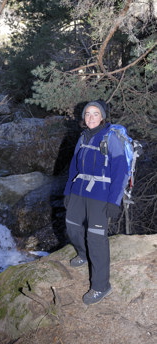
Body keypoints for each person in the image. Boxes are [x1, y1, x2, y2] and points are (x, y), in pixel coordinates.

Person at [63, 100, 129, 305]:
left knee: (96, 239)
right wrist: (67, 191)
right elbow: (74, 166)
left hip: (102, 193)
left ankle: (101, 286)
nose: (91, 117)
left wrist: (114, 201)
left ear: (102, 117)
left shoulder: (111, 138)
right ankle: (83, 254)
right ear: (84, 117)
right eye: (88, 114)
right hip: (79, 190)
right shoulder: (83, 137)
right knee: (72, 227)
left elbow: (121, 171)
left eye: (95, 113)